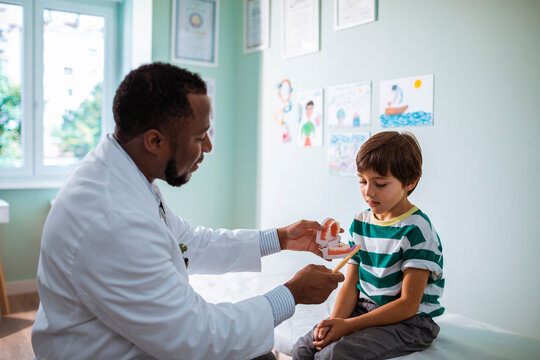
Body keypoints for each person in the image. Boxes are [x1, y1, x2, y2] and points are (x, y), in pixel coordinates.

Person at [31, 62, 344, 360]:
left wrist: (281, 239)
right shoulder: (112, 218)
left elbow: (189, 243)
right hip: (101, 352)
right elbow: (198, 338)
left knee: (257, 353)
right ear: (155, 140)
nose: (207, 147)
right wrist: (291, 294)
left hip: (126, 338)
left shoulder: (121, 175)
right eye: (199, 136)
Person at [292, 131, 444, 359]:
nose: (368, 192)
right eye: (362, 181)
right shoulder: (360, 223)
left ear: (410, 182)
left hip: (411, 322)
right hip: (365, 308)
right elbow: (351, 284)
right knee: (303, 349)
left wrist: (349, 326)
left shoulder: (416, 231)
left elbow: (408, 304)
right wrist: (336, 323)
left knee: (332, 355)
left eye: (380, 184)